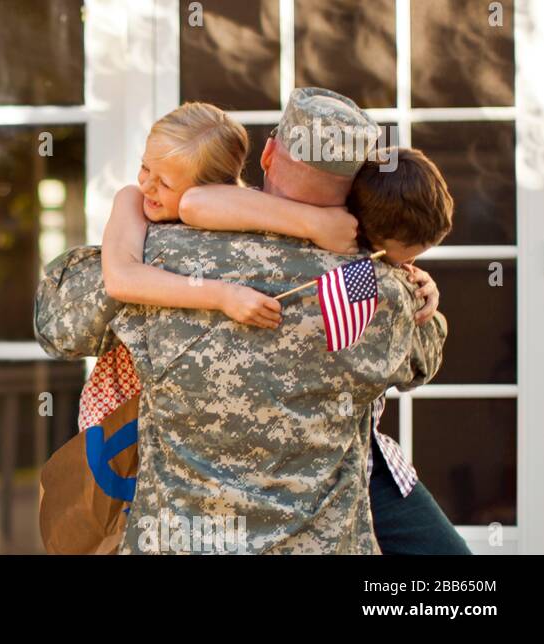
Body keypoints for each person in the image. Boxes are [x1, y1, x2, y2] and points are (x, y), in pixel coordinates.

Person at [36, 88, 447, 553]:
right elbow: (421, 359)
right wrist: (418, 294)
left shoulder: (159, 256)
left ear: (269, 153)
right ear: (352, 188)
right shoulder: (370, 287)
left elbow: (58, 324)